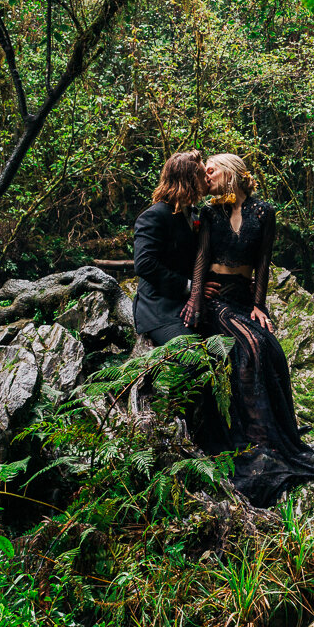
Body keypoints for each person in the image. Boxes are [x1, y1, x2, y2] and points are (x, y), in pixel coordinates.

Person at [181, 153, 314, 506]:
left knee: (269, 347)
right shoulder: (209, 212)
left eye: (211, 170)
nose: (206, 176)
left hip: (243, 298)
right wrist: (196, 298)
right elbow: (201, 258)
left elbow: (262, 263)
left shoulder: (265, 213)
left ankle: (277, 437)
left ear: (230, 172)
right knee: (249, 346)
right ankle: (255, 441)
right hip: (215, 300)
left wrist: (259, 306)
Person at [132, 150, 223, 449]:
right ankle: (176, 434)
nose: (206, 179)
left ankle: (224, 436)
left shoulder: (195, 215)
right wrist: (189, 287)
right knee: (194, 359)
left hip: (192, 306)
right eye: (201, 174)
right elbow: (144, 265)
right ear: (188, 178)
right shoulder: (154, 216)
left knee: (227, 353)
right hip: (159, 309)